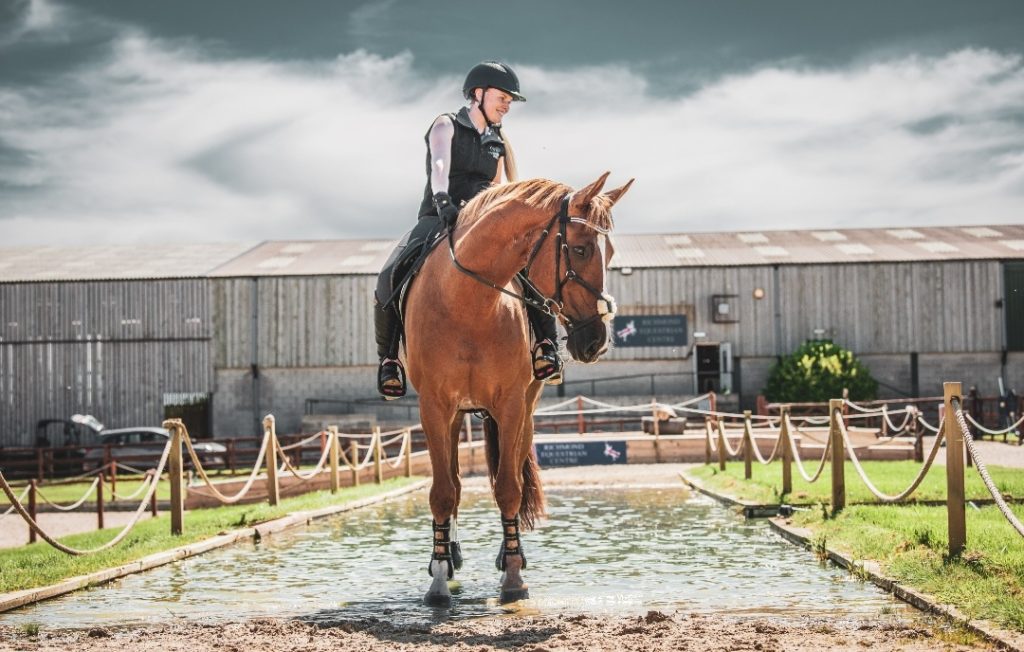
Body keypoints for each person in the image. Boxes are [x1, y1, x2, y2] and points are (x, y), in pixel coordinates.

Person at [373, 60, 562, 399]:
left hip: (484, 220)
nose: (506, 105)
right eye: (502, 97)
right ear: (478, 94)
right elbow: (439, 164)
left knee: (529, 267)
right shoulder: (446, 124)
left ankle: (547, 345)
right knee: (389, 275)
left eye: (509, 100)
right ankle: (389, 361)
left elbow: (509, 184)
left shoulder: (499, 139)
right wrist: (443, 199)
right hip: (439, 213)